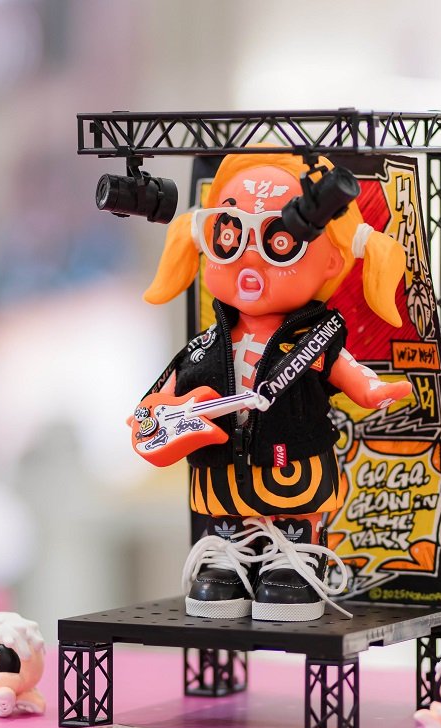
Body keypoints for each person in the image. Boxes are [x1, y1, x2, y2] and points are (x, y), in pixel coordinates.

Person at [132, 149, 412, 621]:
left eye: (280, 241)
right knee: (224, 505)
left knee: (297, 504)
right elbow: (166, 393)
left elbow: (345, 368)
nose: (249, 259)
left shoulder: (315, 340)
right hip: (222, 462)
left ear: (332, 260)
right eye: (229, 235)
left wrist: (372, 390)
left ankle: (294, 554)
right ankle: (228, 553)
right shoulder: (207, 344)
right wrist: (158, 418)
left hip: (292, 454)